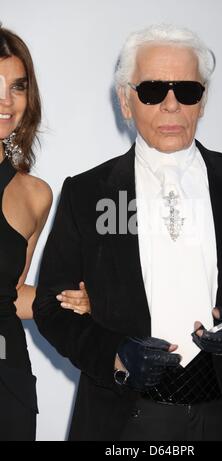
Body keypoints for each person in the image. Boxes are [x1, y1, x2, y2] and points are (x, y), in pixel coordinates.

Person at [33, 24, 222, 441]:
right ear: (125, 100)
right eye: (153, 91)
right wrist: (116, 356)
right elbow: (51, 308)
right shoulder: (86, 193)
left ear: (203, 100)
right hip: (125, 419)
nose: (172, 105)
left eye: (187, 91)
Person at [0, 26, 91, 441]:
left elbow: (12, 295)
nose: (7, 101)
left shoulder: (34, 194)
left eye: (17, 87)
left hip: (8, 376)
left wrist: (81, 300)